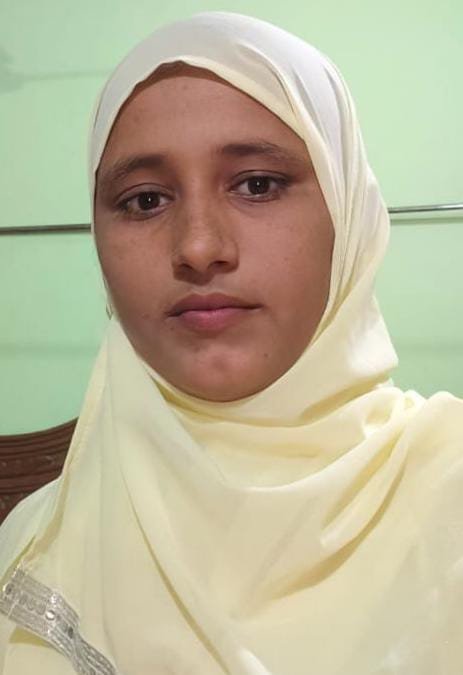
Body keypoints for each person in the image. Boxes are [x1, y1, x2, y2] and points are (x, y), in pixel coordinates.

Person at [0, 10, 462, 675]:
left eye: (257, 185)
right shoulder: (31, 546)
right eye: (144, 200)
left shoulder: (448, 489)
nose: (198, 246)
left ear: (348, 214)